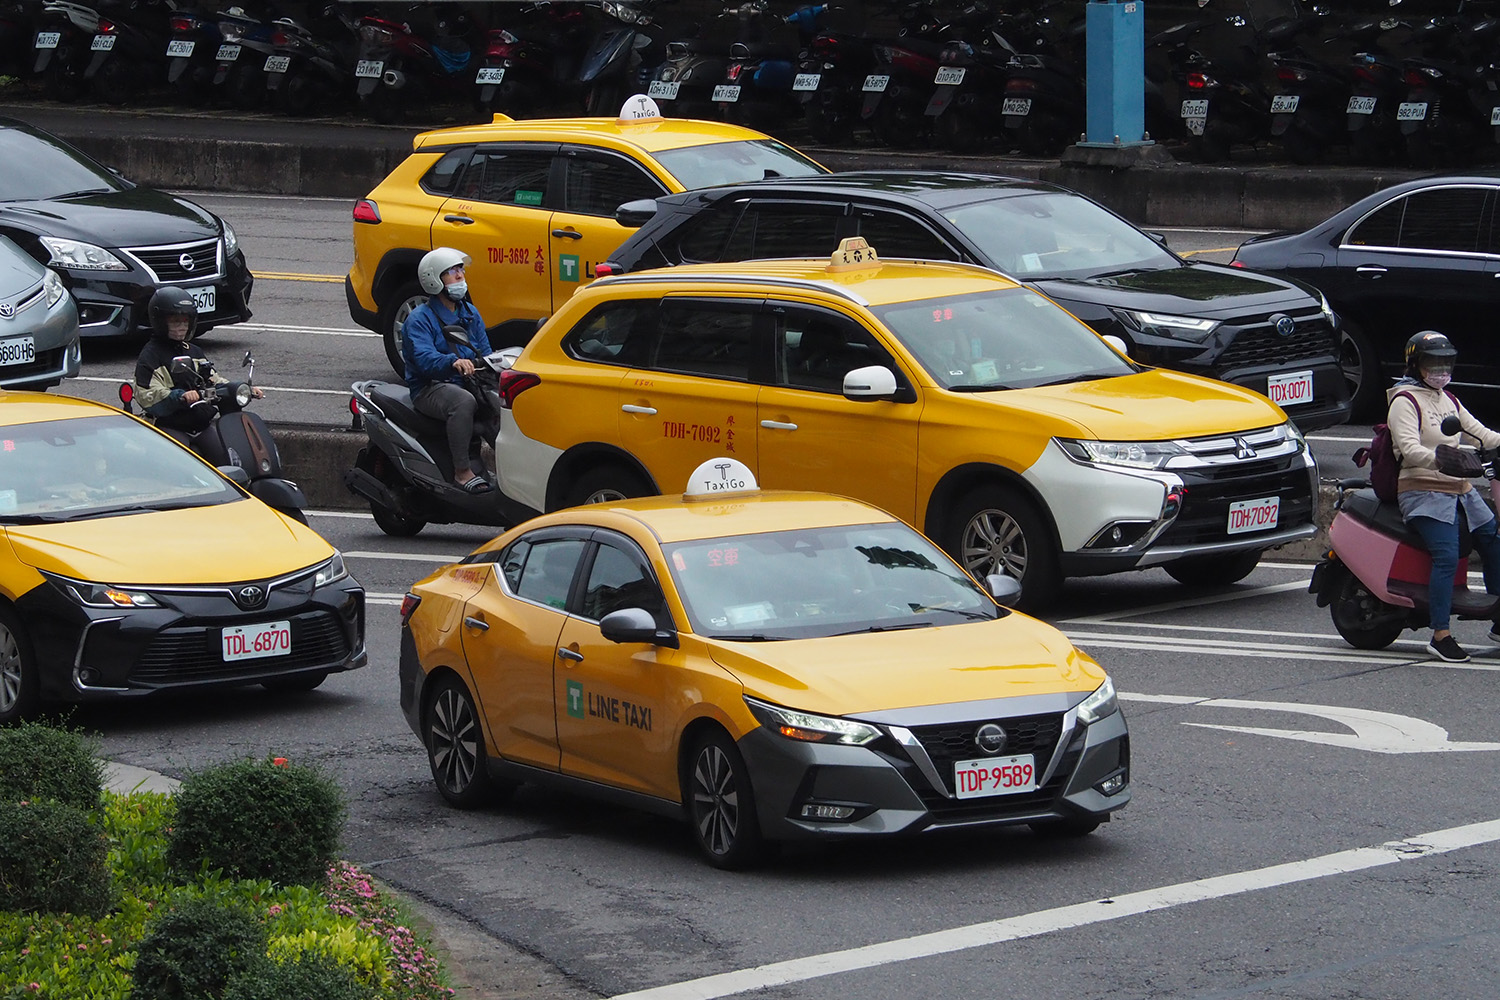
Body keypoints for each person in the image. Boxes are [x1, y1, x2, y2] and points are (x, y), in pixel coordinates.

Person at [1388, 330, 1500, 663]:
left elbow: (1482, 434)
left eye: (1446, 362)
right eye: (1432, 363)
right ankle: (1440, 633)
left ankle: (1498, 620)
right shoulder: (1404, 401)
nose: (1441, 370)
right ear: (1415, 364)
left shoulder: (1448, 399)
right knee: (1447, 555)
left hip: (1460, 488)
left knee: (1493, 541)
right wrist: (1441, 458)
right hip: (1421, 488)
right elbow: (1408, 449)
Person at [402, 247, 495, 494]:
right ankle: (462, 472)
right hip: (430, 387)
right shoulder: (420, 318)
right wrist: (451, 362)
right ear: (434, 280)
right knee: (463, 402)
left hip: (468, 381)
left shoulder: (469, 312)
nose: (460, 276)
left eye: (461, 270)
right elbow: (423, 358)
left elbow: (484, 351)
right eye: (452, 272)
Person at [135, 286, 262, 434]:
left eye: (185, 322)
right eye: (175, 321)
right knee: (183, 456)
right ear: (160, 321)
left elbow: (213, 379)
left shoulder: (194, 351)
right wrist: (180, 396)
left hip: (198, 422)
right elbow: (146, 394)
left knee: (222, 452)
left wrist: (242, 389)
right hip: (168, 424)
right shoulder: (151, 355)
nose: (182, 327)